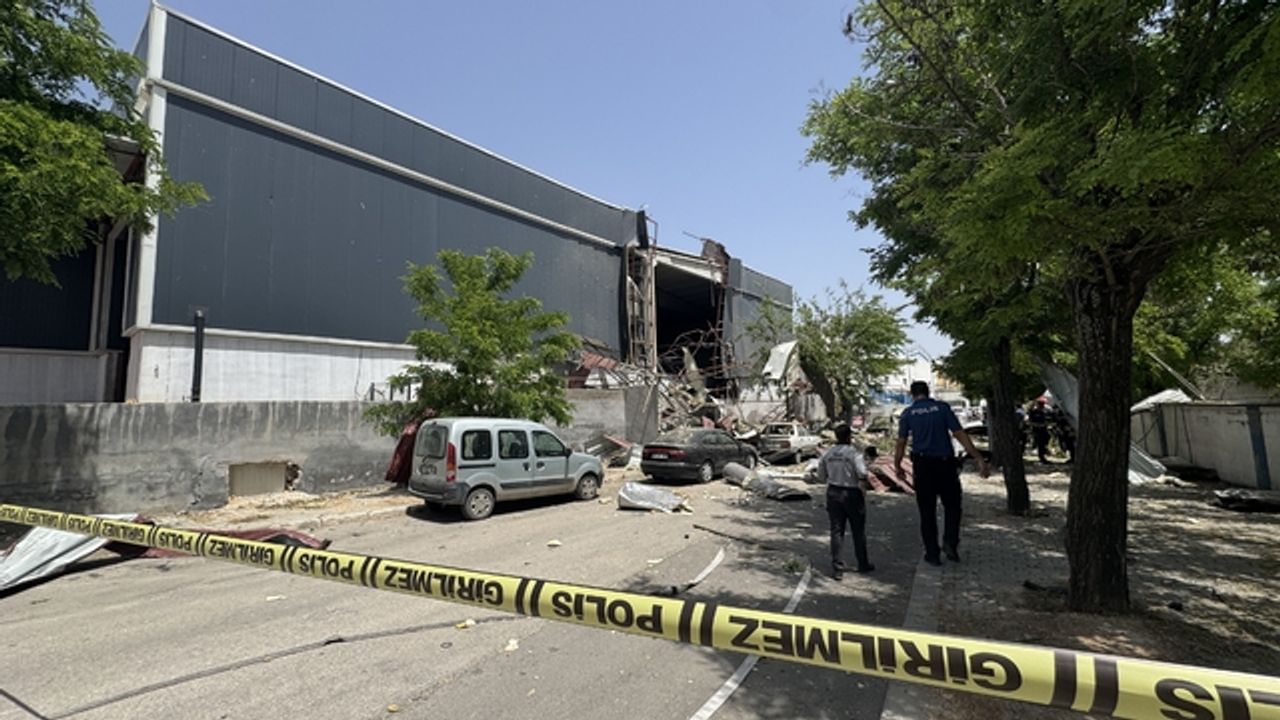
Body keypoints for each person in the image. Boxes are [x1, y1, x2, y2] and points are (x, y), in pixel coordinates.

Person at [894, 381, 989, 566]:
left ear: (912, 394)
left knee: (927, 511)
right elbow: (959, 433)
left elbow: (901, 442)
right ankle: (950, 543)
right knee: (953, 506)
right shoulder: (942, 408)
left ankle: (932, 554)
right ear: (928, 392)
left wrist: (897, 465)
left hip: (923, 466)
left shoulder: (908, 413)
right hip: (945, 465)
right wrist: (978, 457)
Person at [818, 424, 874, 580]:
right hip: (851, 493)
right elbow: (862, 473)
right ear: (849, 437)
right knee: (858, 530)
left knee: (836, 530)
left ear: (836, 437)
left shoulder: (828, 454)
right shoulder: (854, 454)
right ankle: (863, 563)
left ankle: (837, 569)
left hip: (833, 492)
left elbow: (821, 476)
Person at [1028, 397, 1052, 463]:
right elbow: (1030, 421)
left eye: (1042, 404)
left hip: (1044, 430)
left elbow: (1049, 420)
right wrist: (1036, 425)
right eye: (1040, 404)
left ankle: (1044, 453)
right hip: (1036, 430)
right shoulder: (1033, 412)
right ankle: (1042, 457)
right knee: (1040, 444)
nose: (1041, 406)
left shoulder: (1046, 412)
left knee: (1045, 442)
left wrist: (1046, 424)